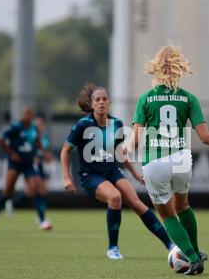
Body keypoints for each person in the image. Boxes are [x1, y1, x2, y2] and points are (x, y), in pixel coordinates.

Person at [129, 45, 209, 275]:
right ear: (180, 68)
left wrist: (124, 148)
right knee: (183, 206)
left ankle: (191, 257)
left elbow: (137, 141)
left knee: (167, 214)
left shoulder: (146, 99)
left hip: (155, 162)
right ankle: (196, 252)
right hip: (181, 160)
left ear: (156, 68)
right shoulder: (188, 98)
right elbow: (206, 138)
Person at [61, 82, 174, 260]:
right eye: (97, 99)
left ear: (109, 102)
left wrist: (135, 174)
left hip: (112, 170)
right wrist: (67, 177)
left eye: (104, 99)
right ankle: (112, 248)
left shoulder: (116, 123)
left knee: (137, 203)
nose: (101, 102)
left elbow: (119, 152)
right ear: (91, 104)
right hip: (90, 175)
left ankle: (170, 245)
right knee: (115, 197)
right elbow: (65, 151)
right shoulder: (82, 125)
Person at [0, 107, 52, 230]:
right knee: (8, 191)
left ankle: (42, 221)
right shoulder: (16, 127)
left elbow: (37, 142)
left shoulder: (33, 128)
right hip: (15, 164)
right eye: (26, 114)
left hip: (28, 163)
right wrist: (11, 153)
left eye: (30, 114)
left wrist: (44, 153)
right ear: (22, 115)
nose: (28, 116)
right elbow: (0, 140)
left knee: (35, 187)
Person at [5, 116, 53, 216]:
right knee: (31, 192)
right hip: (32, 164)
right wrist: (35, 157)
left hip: (41, 165)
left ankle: (41, 213)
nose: (40, 126)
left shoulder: (44, 137)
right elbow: (29, 149)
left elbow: (44, 150)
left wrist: (47, 156)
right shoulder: (30, 135)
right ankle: (12, 204)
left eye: (41, 125)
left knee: (44, 190)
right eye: (38, 124)